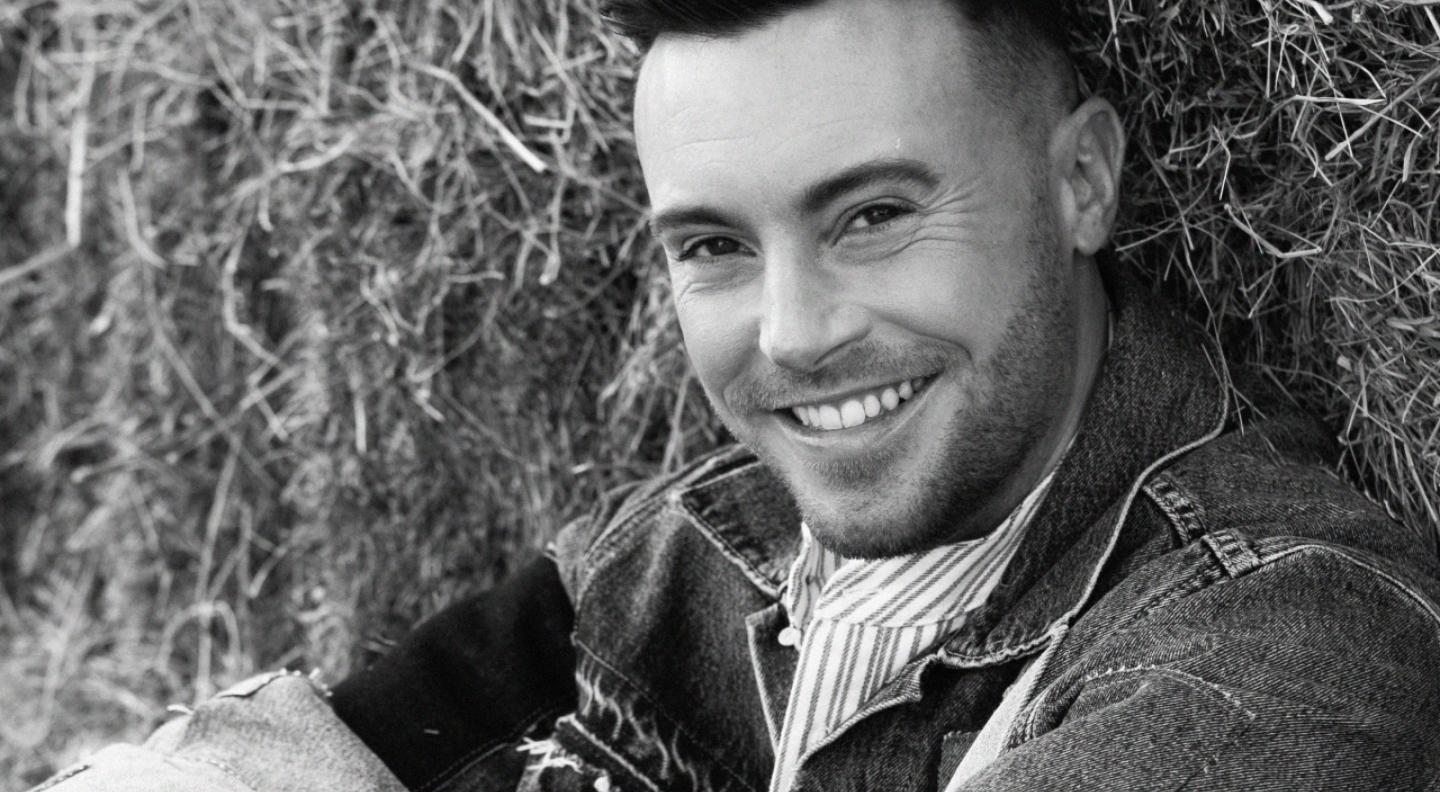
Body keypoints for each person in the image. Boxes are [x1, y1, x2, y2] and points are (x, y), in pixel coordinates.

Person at [31, 0, 1440, 790]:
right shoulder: (694, 544)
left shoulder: (1289, 646)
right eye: (712, 244)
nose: (793, 334)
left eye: (875, 215)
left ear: (1081, 182)